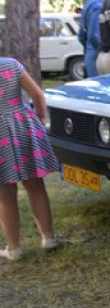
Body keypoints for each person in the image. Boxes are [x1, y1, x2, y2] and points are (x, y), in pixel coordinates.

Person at [0, 57, 63, 260]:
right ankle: (48, 238)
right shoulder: (10, 65)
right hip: (22, 127)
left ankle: (14, 248)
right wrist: (40, 116)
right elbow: (37, 95)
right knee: (35, 185)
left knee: (5, 195)